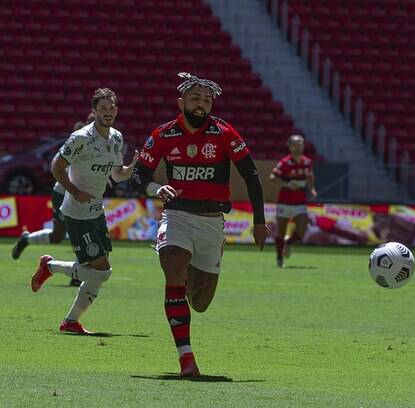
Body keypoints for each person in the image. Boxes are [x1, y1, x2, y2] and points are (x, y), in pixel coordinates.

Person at [131, 72, 269, 377]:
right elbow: (139, 175)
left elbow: (252, 176)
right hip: (177, 215)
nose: (202, 104)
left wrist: (259, 221)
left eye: (207, 100)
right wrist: (156, 190)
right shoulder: (163, 134)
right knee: (173, 267)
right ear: (181, 103)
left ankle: (208, 255)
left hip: (211, 223)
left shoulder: (224, 132)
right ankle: (186, 358)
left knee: (200, 302)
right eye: (195, 98)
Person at [30, 88, 137, 335]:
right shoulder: (80, 138)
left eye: (111, 108)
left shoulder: (117, 138)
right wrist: (74, 190)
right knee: (103, 272)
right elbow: (56, 166)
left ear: (116, 110)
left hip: (96, 211)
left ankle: (70, 322)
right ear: (95, 111)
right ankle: (51, 266)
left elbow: (116, 175)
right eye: (103, 109)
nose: (108, 113)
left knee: (99, 271)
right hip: (77, 212)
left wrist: (130, 168)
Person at [12, 113, 96, 288]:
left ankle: (27, 239)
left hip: (82, 193)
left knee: (59, 236)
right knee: (71, 231)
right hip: (65, 192)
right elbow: (59, 164)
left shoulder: (103, 143)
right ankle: (77, 274)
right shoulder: (78, 140)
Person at [269, 134, 317, 267]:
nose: (298, 146)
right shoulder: (285, 162)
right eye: (295, 144)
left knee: (302, 228)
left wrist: (312, 189)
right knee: (281, 231)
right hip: (284, 201)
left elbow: (310, 175)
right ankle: (279, 258)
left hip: (300, 202)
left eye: (300, 144)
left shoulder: (307, 162)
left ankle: (288, 243)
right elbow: (272, 177)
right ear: (289, 146)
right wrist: (286, 184)